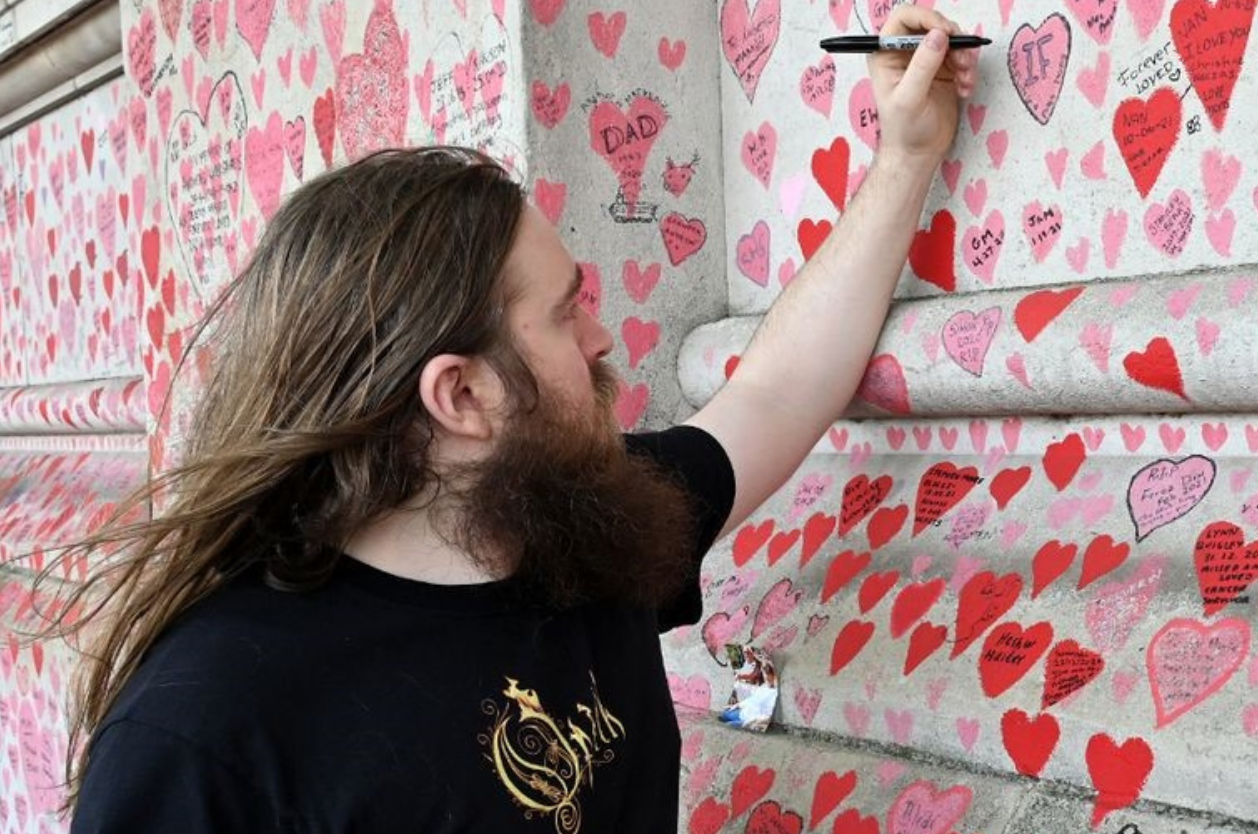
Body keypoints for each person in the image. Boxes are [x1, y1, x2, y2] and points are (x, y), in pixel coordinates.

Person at [51, 6, 978, 832]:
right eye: (564, 313)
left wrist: (905, 154)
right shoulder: (207, 728)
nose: (602, 335)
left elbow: (777, 392)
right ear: (461, 396)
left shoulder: (587, 532)